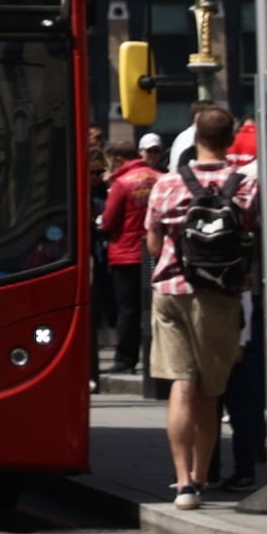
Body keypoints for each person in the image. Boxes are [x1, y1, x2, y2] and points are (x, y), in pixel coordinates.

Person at [145, 106, 260, 505]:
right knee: (211, 391)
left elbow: (154, 244)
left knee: (181, 383)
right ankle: (201, 476)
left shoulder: (167, 184)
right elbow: (251, 240)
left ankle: (183, 483)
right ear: (230, 140)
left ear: (195, 139)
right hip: (220, 295)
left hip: (172, 291)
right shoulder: (246, 185)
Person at [97, 135, 165, 385]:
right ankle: (156, 359)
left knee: (128, 310)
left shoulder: (122, 184)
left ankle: (126, 359)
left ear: (117, 158)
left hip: (126, 254)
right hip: (155, 252)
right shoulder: (159, 178)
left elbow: (108, 220)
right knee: (155, 308)